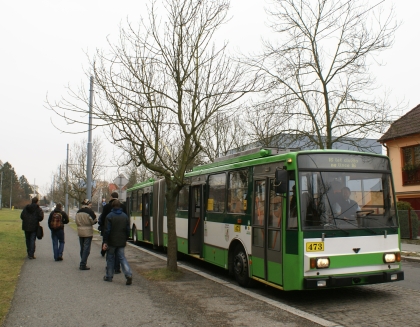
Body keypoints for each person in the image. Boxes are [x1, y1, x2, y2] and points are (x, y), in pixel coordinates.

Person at [103, 200, 132, 285]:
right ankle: (128, 274)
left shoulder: (109, 216)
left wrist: (105, 241)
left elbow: (107, 230)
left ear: (112, 206)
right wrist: (126, 238)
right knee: (122, 257)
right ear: (120, 206)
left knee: (110, 258)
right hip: (121, 240)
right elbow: (127, 229)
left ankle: (109, 276)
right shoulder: (125, 216)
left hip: (111, 241)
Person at [98, 192, 127, 274]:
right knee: (119, 253)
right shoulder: (123, 207)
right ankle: (117, 268)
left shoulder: (106, 206)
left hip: (109, 231)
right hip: (120, 233)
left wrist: (103, 227)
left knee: (110, 252)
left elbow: (103, 218)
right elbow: (126, 220)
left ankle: (109, 269)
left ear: (111, 197)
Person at [75, 199, 97, 270]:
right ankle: (83, 264)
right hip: (88, 231)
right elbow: (94, 221)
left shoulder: (78, 212)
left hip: (80, 231)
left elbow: (76, 221)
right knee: (86, 248)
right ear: (88, 204)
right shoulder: (90, 212)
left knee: (82, 247)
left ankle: (82, 260)